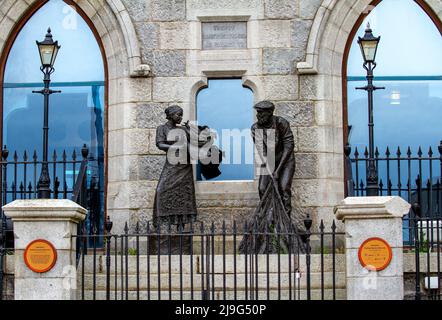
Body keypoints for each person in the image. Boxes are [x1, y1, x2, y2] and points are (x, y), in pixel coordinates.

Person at [153, 105, 197, 227]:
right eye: (178, 114)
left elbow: (196, 142)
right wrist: (175, 147)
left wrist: (189, 130)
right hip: (172, 165)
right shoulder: (162, 128)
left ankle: (181, 225)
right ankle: (163, 224)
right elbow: (160, 145)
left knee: (183, 193)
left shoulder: (182, 129)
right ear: (171, 115)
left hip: (184, 166)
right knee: (161, 190)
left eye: (181, 115)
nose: (180, 117)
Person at [252, 100, 296, 216]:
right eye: (257, 112)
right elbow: (262, 151)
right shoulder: (255, 128)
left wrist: (278, 170)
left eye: (261, 113)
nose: (258, 115)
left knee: (283, 188)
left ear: (270, 112)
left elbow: (289, 146)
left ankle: (285, 219)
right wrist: (271, 169)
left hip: (285, 160)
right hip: (269, 160)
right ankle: (268, 219)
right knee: (262, 188)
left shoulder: (281, 123)